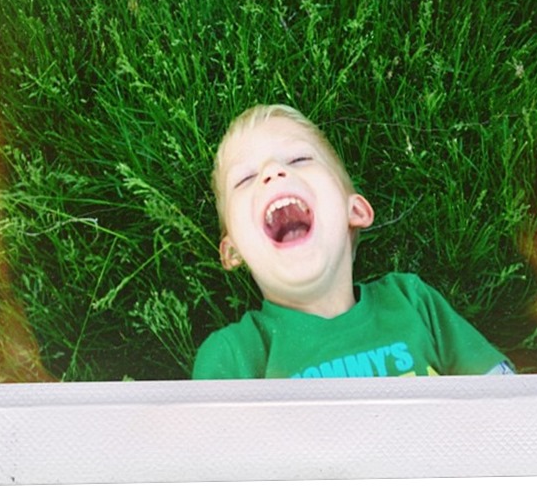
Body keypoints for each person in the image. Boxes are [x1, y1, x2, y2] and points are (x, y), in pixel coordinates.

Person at [192, 104, 514, 379]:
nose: (273, 172)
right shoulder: (233, 355)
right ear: (232, 251)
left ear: (355, 210)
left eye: (299, 159)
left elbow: (505, 401)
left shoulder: (411, 301)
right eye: (245, 178)